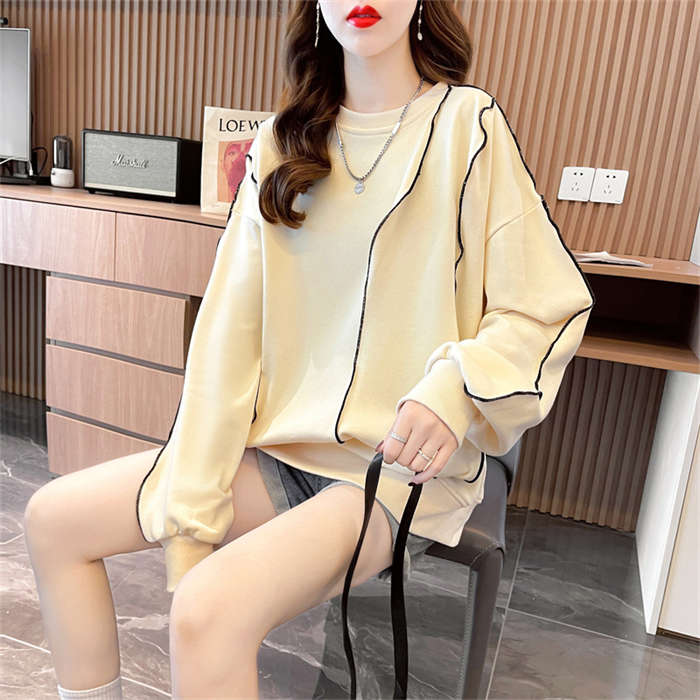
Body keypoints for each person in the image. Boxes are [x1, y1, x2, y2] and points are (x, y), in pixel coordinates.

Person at [24, 1, 595, 698]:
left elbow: (542, 306)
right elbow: (228, 336)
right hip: (282, 452)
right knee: (53, 521)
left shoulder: (467, 127)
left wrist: (453, 388)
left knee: (207, 612)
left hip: (392, 471)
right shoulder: (279, 143)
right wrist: (191, 515)